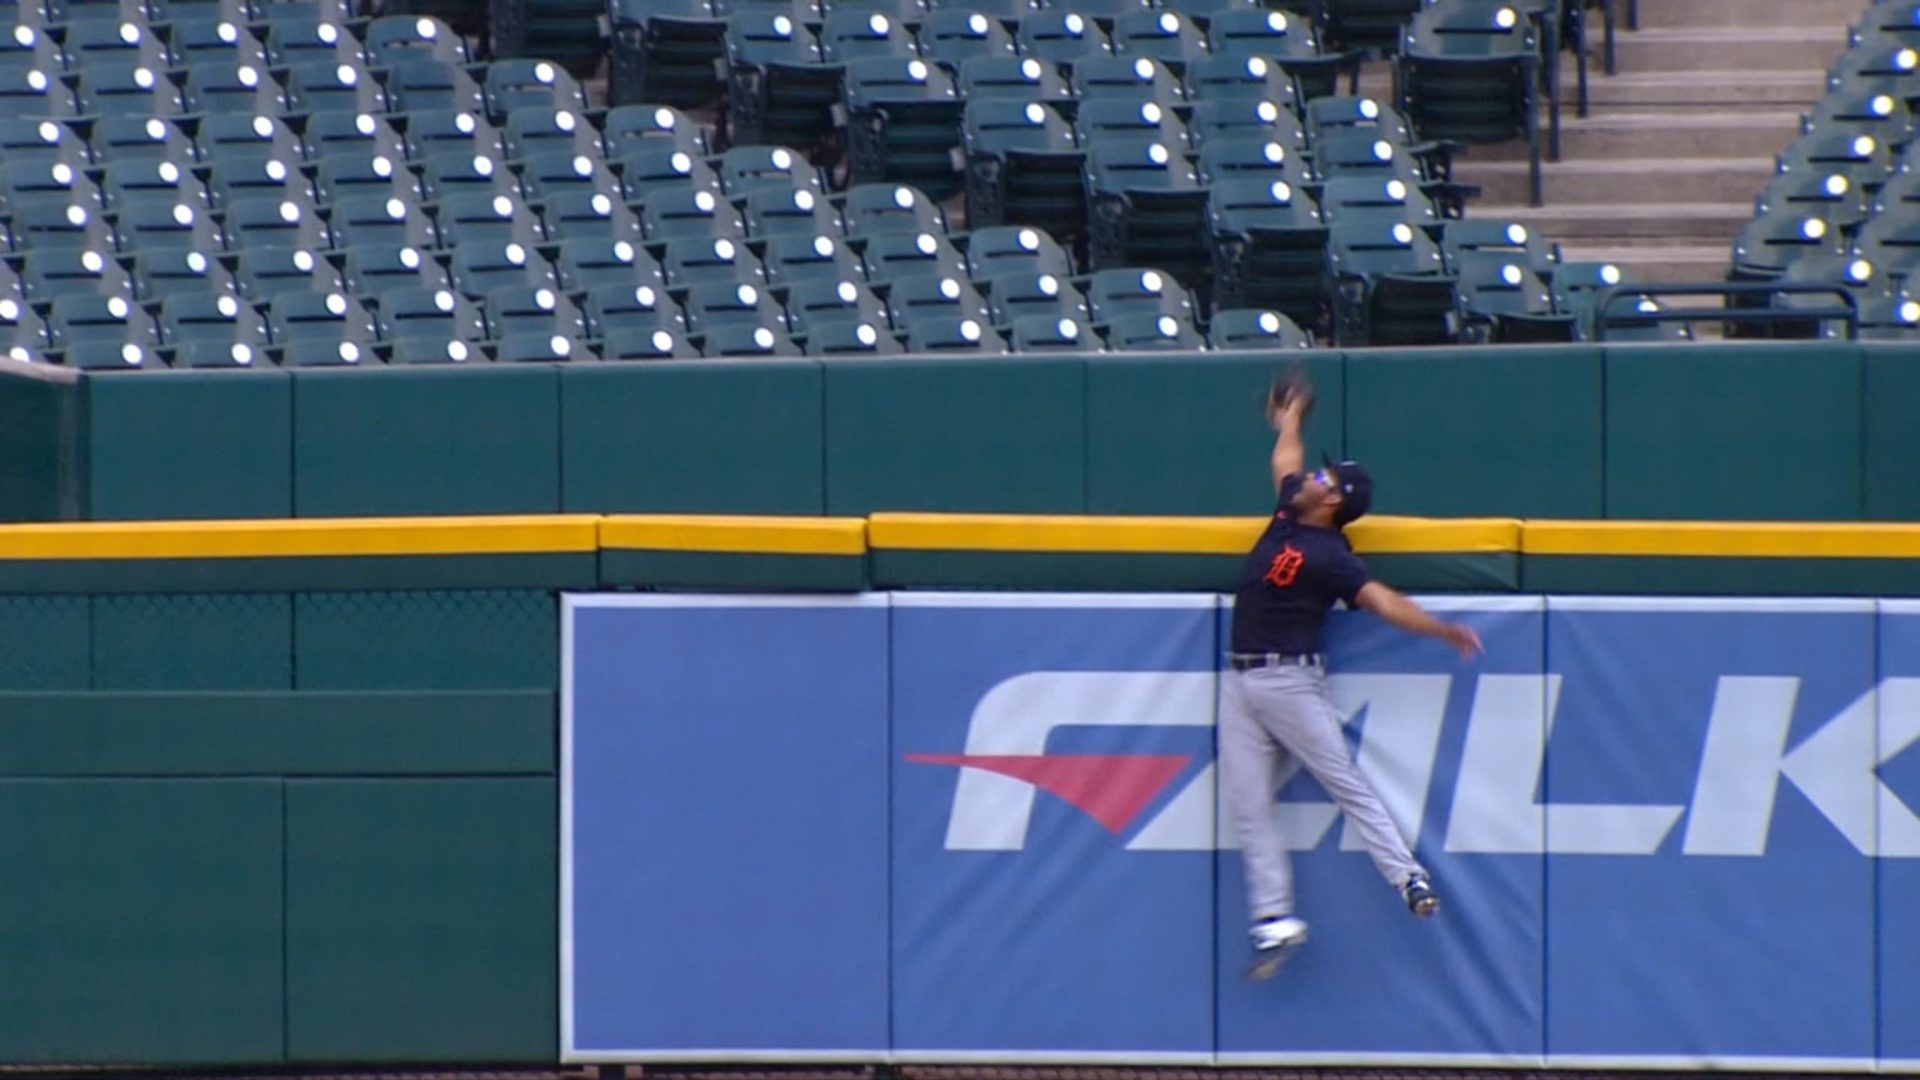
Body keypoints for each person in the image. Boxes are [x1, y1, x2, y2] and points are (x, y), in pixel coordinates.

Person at [1222, 370, 1484, 981]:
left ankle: (1407, 876)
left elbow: (1382, 601)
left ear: (1334, 503)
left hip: (1289, 681)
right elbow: (1285, 461)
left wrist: (1440, 630)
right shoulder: (1289, 514)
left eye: (1325, 479)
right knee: (1248, 803)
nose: (1312, 478)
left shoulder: (1332, 556)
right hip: (1240, 681)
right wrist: (1290, 420)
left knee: (1346, 784)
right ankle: (1273, 919)